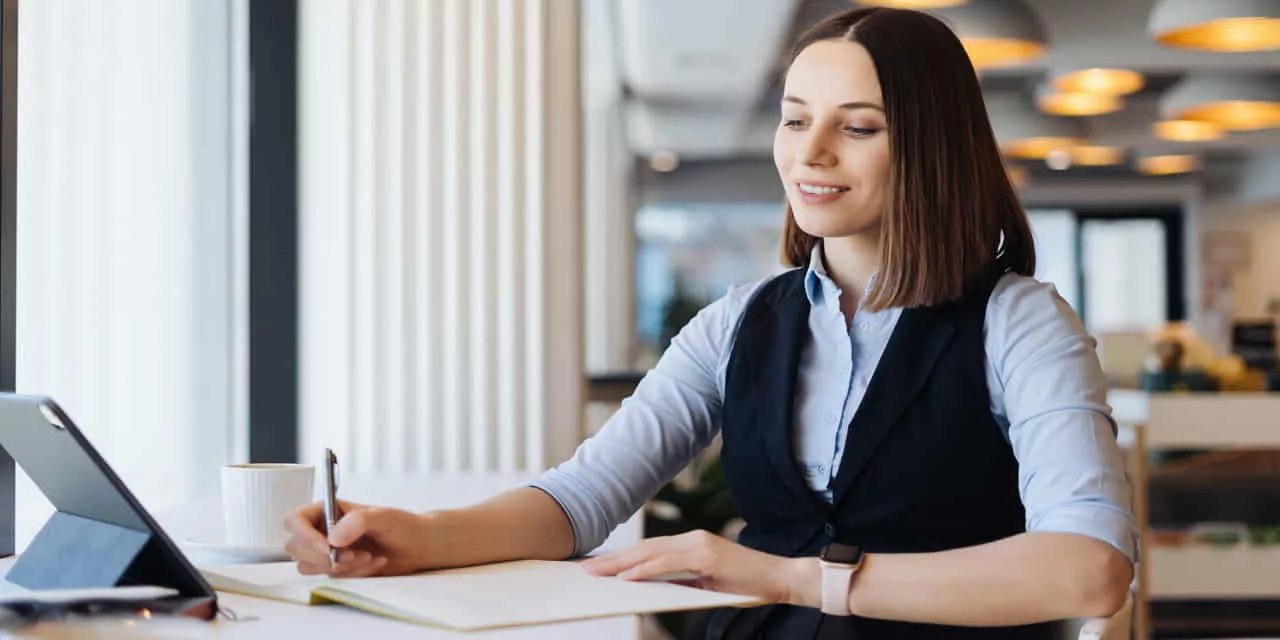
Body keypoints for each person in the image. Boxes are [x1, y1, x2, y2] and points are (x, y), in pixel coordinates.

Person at [283, 6, 1136, 638]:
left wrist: (792, 579)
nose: (810, 153)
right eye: (796, 118)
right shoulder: (741, 322)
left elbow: (1088, 570)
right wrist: (416, 536)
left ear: (931, 147)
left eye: (859, 127)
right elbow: (581, 500)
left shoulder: (1020, 322)